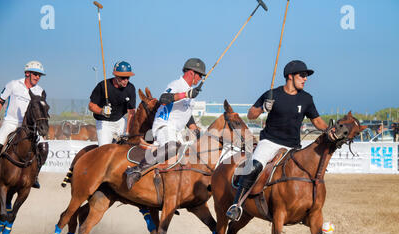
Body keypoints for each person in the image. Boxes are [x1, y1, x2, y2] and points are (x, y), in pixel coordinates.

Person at [226, 60, 329, 221]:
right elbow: (251, 114)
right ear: (290, 76)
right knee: (253, 167)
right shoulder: (272, 94)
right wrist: (263, 108)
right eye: (302, 75)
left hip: (293, 147)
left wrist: (331, 130)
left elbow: (317, 121)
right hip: (270, 142)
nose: (305, 78)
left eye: (306, 76)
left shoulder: (307, 99)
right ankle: (236, 205)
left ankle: (307, 211)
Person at [124, 58, 205, 189]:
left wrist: (194, 128)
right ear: (191, 72)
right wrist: (186, 94)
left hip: (177, 130)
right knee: (172, 147)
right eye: (200, 75)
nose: (201, 78)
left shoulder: (190, 91)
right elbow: (163, 99)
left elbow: (186, 115)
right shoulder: (177, 84)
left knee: (192, 153)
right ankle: (136, 170)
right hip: (164, 126)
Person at [0, 61, 49, 189]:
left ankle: (35, 175)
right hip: (11, 122)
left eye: (39, 75)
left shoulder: (40, 91)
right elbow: (1, 101)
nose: (37, 77)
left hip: (30, 127)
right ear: (27, 73)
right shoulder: (13, 85)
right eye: (35, 74)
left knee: (44, 147)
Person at [89, 61, 136, 146]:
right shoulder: (103, 86)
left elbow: (131, 112)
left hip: (120, 121)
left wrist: (128, 131)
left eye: (128, 77)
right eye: (123, 78)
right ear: (116, 76)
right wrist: (101, 111)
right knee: (104, 151)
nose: (126, 80)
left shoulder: (131, 88)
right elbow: (91, 106)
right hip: (104, 123)